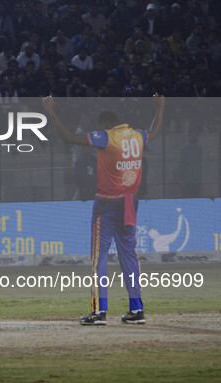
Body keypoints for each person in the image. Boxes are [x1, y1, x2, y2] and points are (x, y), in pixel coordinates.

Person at [42, 94, 165, 325]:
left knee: (99, 257)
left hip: (107, 204)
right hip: (130, 202)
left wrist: (51, 113)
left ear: (105, 125)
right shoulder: (137, 136)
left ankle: (99, 312)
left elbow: (69, 138)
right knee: (129, 255)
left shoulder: (106, 137)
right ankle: (136, 310)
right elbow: (154, 132)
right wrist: (161, 107)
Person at [178, 131, 202, 198]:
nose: (194, 138)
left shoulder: (199, 150)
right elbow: (180, 165)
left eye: (195, 136)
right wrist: (181, 180)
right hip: (187, 181)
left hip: (197, 181)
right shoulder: (184, 149)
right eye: (192, 136)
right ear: (189, 137)